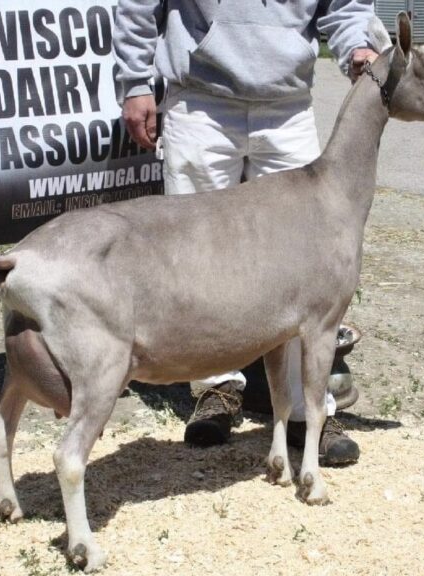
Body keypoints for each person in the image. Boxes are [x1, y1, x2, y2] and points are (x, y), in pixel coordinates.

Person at [112, 0, 377, 465]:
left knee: (305, 270)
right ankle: (217, 391)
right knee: (198, 262)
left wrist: (357, 43)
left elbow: (344, 5)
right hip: (201, 101)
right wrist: (135, 83)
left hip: (287, 104)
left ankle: (306, 410)